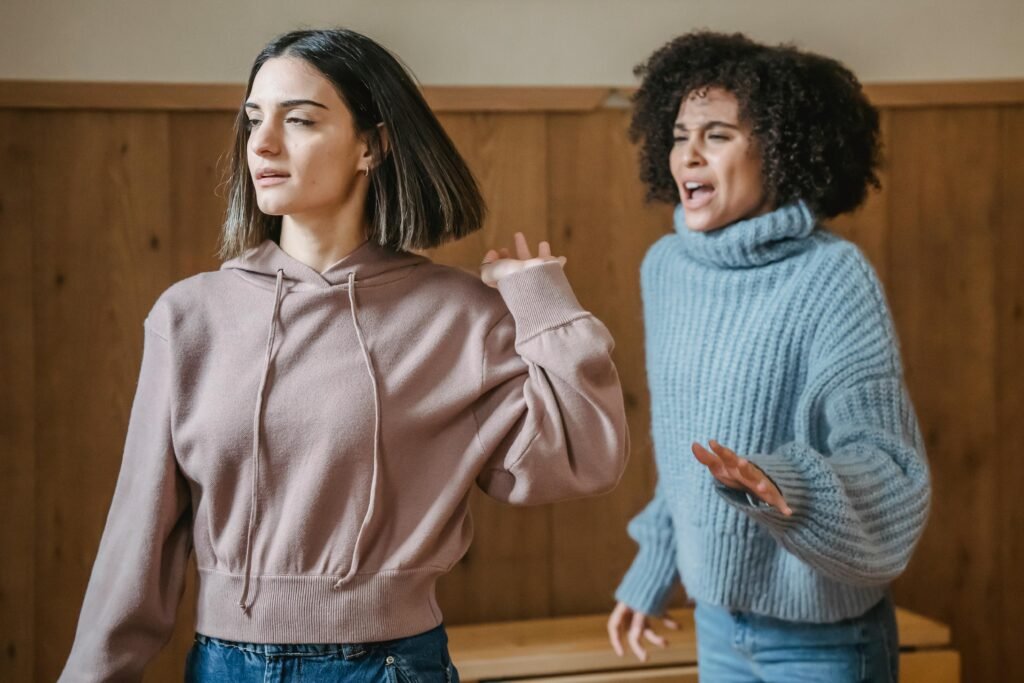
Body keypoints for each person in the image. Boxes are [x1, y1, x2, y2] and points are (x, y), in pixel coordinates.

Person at [60, 28, 629, 682]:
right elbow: (138, 538)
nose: (264, 144)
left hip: (389, 665)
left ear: (372, 144)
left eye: (299, 119)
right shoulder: (189, 316)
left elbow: (586, 459)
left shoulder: (458, 315)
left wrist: (544, 304)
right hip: (223, 665)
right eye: (253, 120)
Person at [606, 31, 930, 682]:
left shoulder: (833, 278)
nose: (688, 155)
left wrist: (791, 487)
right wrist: (655, 560)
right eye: (678, 135)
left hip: (825, 640)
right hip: (717, 623)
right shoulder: (666, 268)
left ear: (781, 153)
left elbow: (890, 466)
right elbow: (682, 444)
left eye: (717, 135)